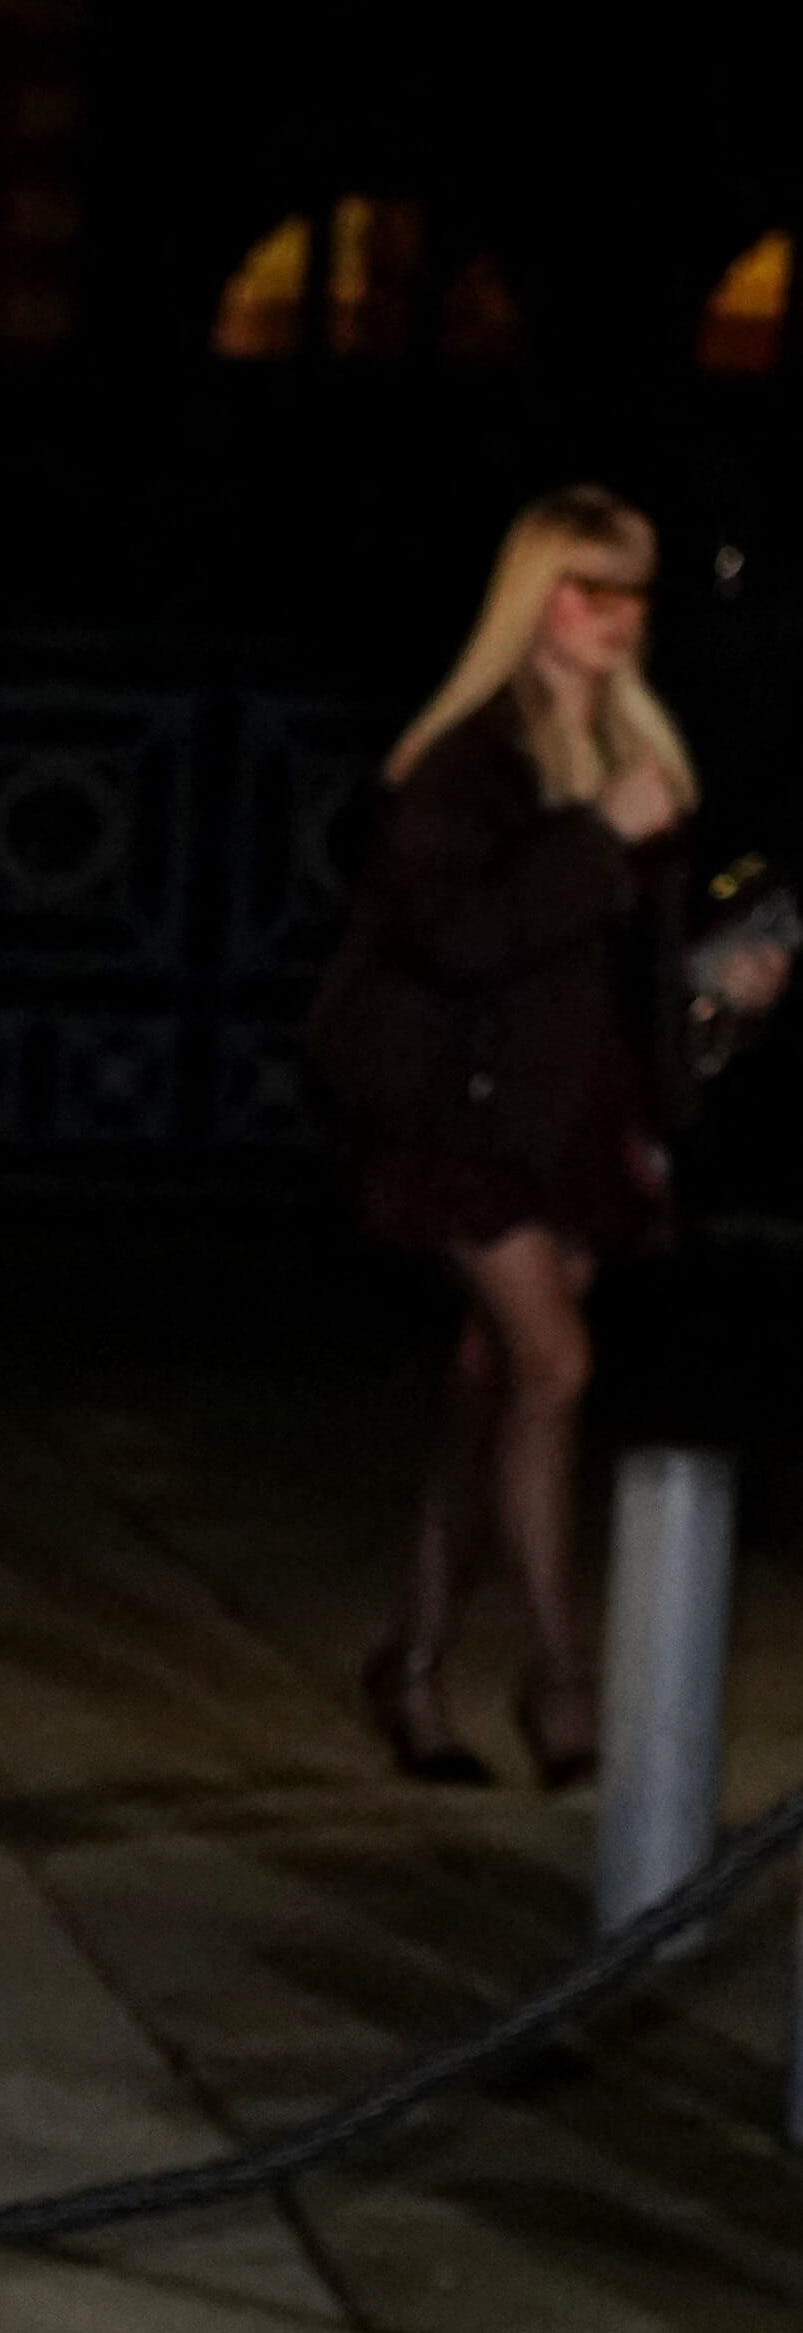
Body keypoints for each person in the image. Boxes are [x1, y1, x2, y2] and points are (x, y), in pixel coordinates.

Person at [313, 485, 770, 1787]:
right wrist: (594, 836)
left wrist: (717, 990)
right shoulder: (464, 761)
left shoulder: (637, 751)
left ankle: (411, 1664)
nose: (617, 617)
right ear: (534, 599)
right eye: (589, 589)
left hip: (574, 1119)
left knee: (490, 1384)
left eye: (633, 591)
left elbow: (623, 968)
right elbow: (455, 936)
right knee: (556, 1365)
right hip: (461, 1120)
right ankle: (560, 1678)